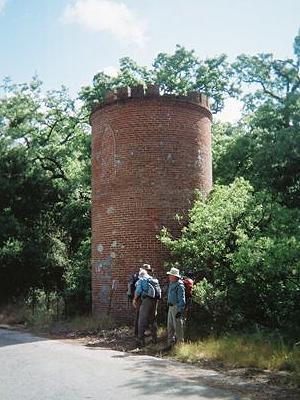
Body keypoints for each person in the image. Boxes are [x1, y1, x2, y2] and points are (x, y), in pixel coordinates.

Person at [133, 267, 160, 347]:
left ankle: (140, 340)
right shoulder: (153, 279)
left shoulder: (142, 280)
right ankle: (154, 338)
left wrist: (134, 299)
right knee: (153, 319)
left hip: (146, 300)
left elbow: (138, 291)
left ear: (140, 275)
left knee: (142, 320)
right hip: (155, 301)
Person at [128, 264, 153, 337]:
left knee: (139, 316)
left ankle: (139, 333)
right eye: (148, 270)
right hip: (141, 299)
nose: (148, 271)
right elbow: (138, 290)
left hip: (139, 298)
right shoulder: (143, 278)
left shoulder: (139, 277)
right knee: (141, 316)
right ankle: (140, 334)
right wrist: (135, 299)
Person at [166, 267, 186, 347]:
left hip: (176, 307)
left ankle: (180, 346)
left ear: (175, 276)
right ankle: (170, 345)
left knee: (178, 327)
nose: (169, 276)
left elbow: (182, 299)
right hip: (170, 307)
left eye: (171, 275)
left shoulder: (180, 285)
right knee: (169, 326)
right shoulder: (172, 284)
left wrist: (180, 310)